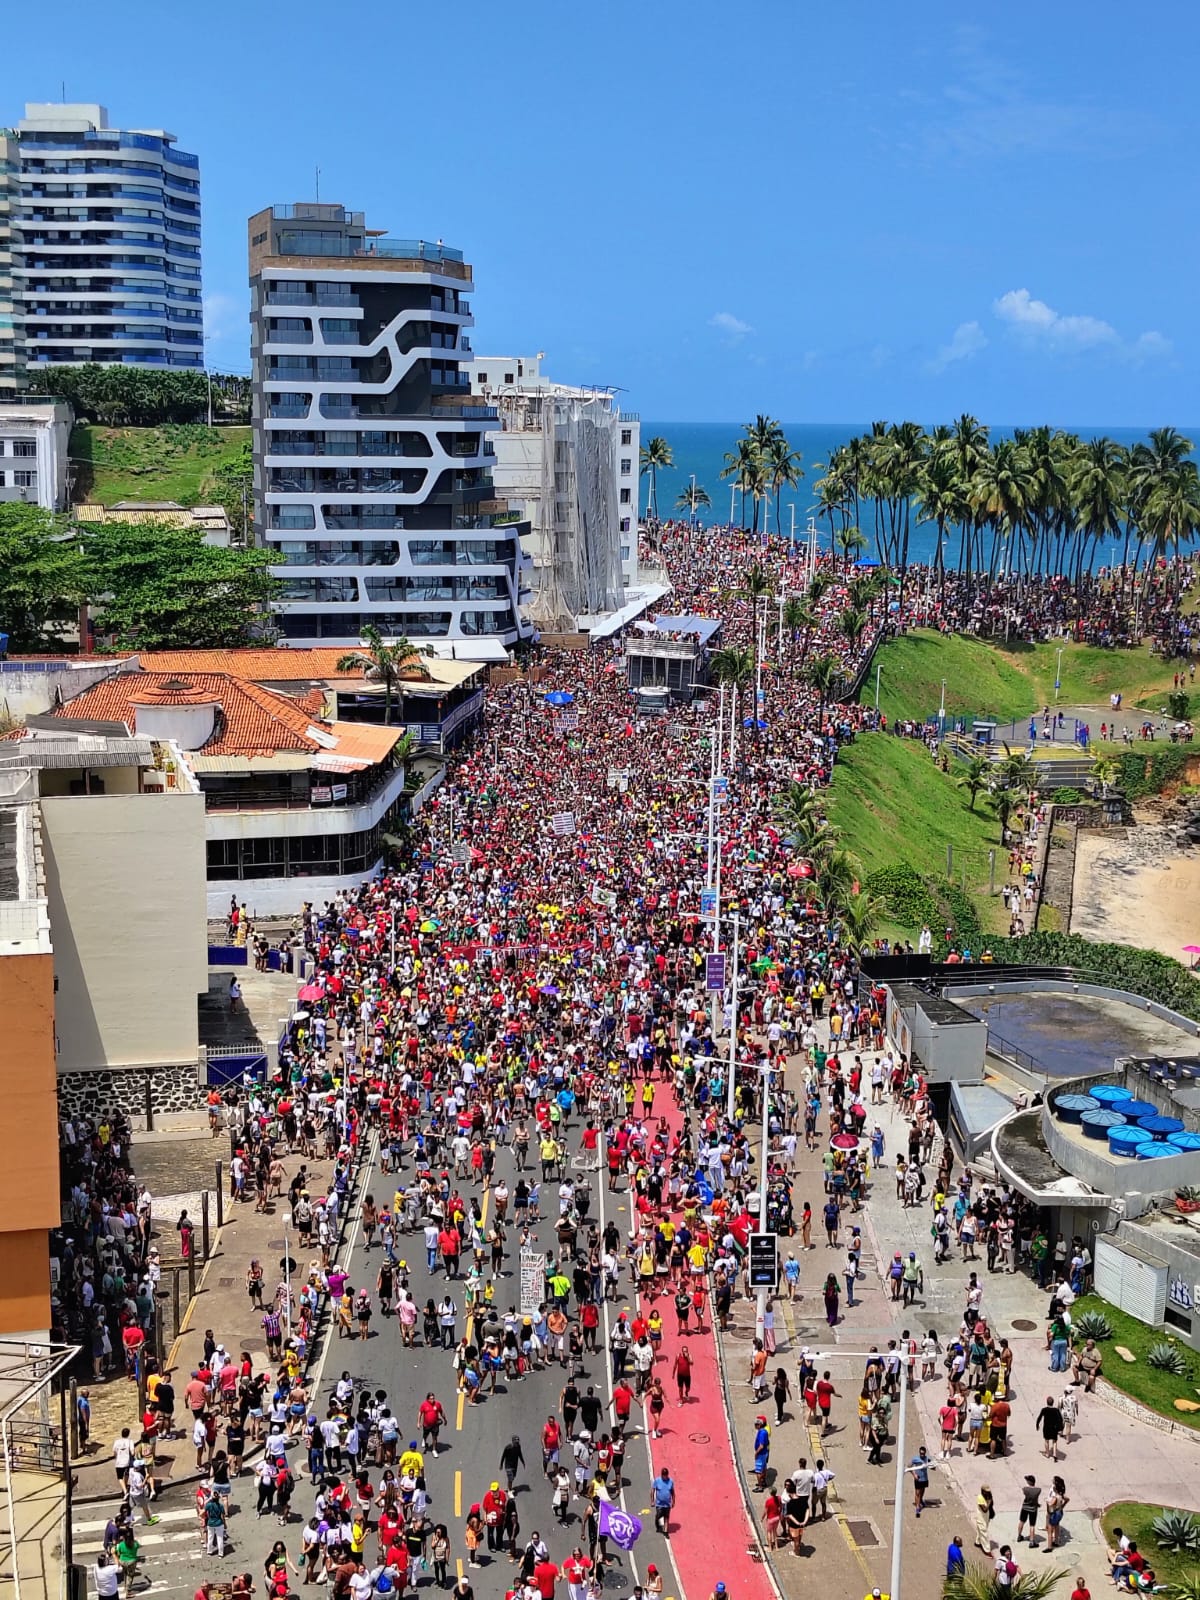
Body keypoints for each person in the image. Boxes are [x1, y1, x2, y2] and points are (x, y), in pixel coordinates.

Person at [1036, 1397, 1064, 1461]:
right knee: (1054, 1441)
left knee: (1046, 1440)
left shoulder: (1044, 1410)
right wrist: (1060, 1428)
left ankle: (1047, 1454)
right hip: (1054, 1428)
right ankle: (1054, 1454)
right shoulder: (1056, 1410)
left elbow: (1039, 1418)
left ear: (1047, 1402)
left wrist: (1037, 1425)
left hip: (1046, 1428)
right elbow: (1061, 1419)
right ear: (1053, 1402)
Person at [1017, 1476, 1041, 1546]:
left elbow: (1024, 1492)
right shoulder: (1038, 1490)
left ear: (1030, 1482)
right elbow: (1035, 1499)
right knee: (1032, 1525)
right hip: (1033, 1509)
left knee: (1021, 1521)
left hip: (1025, 1507)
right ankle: (1032, 1541)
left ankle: (1019, 1536)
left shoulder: (1025, 1489)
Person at [652, 1467, 675, 1534]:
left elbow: (672, 1492)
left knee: (666, 1517)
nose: (665, 1477)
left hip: (667, 1504)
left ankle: (665, 1531)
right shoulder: (657, 1481)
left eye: (666, 1475)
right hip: (659, 1504)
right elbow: (653, 1491)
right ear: (662, 1475)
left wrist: (673, 1501)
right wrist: (652, 1501)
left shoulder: (670, 1481)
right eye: (663, 1475)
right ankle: (657, 1524)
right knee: (658, 1515)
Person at [910, 1446, 930, 1516]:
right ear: (919, 1452)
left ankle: (921, 1500)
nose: (922, 1455)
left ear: (925, 1453)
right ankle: (917, 1507)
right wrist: (914, 1474)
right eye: (921, 1453)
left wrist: (932, 1466)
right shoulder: (915, 1459)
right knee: (917, 1493)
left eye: (923, 1454)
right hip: (918, 1478)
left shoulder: (927, 1459)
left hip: (924, 1478)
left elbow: (932, 1467)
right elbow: (909, 1466)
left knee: (923, 1490)